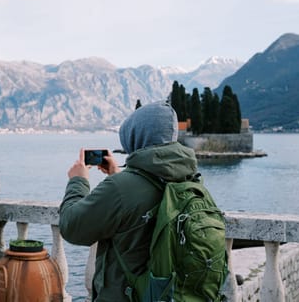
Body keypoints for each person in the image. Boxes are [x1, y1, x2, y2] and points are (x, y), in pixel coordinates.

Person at [59, 100, 198, 301]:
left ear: (135, 138)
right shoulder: (190, 179)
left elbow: (71, 227)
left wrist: (78, 181)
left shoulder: (120, 189)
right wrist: (117, 174)